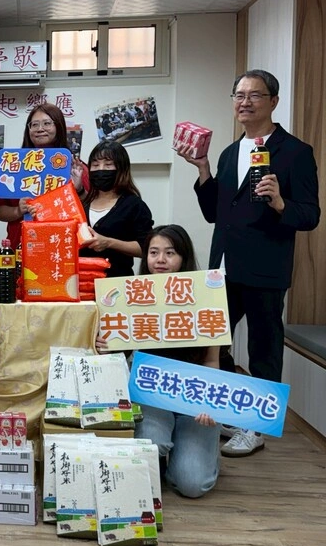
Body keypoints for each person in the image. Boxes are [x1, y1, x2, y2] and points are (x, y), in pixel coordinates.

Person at [180, 69, 320, 458]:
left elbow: (310, 216)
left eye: (254, 95)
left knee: (263, 347)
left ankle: (255, 428)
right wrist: (204, 170)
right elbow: (215, 214)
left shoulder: (296, 152)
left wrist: (280, 204)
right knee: (214, 344)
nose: (245, 102)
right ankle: (229, 413)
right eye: (238, 95)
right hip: (222, 266)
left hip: (264, 267)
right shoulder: (229, 152)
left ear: (273, 101)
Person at [95, 225, 221, 498]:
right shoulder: (130, 298)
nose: (160, 260)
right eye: (153, 252)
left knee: (192, 484)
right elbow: (120, 358)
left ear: (183, 257)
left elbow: (212, 361)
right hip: (152, 396)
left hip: (193, 399)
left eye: (170, 253)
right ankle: (167, 452)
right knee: (151, 444)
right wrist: (106, 348)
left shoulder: (207, 297)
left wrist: (209, 403)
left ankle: (194, 453)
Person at [0, 103, 89, 250]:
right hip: (21, 245)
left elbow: (91, 208)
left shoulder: (75, 167)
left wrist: (78, 190)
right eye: (34, 125)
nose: (40, 129)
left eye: (47, 123)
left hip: (62, 245)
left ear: (59, 127)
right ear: (28, 129)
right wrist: (18, 211)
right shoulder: (13, 164)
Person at [80, 140, 153, 277]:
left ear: (121, 169)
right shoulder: (82, 204)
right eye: (95, 165)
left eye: (108, 165)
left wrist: (109, 243)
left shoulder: (134, 205)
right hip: (81, 285)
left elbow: (146, 248)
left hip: (116, 284)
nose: (100, 169)